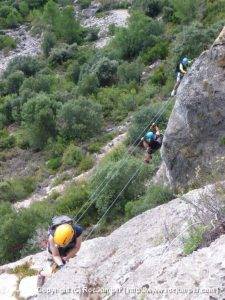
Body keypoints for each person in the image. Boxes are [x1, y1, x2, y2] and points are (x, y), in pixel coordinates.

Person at [37, 216, 83, 287]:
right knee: (53, 273)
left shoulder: (78, 231)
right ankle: (41, 273)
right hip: (53, 250)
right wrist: (61, 265)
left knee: (69, 265)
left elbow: (76, 247)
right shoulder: (52, 237)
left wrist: (67, 257)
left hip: (69, 248)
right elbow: (55, 255)